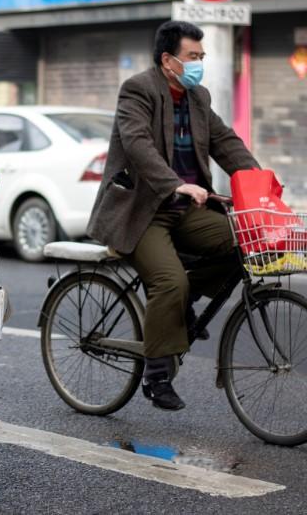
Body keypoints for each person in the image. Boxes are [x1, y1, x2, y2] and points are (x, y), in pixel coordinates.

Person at [86, 21, 259, 411]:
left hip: (187, 210)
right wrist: (176, 183)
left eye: (202, 56)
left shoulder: (198, 98)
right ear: (168, 60)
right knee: (169, 281)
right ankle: (156, 375)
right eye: (192, 57)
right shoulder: (138, 90)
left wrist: (258, 180)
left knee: (243, 242)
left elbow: (226, 142)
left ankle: (182, 302)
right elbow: (137, 144)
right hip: (141, 212)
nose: (200, 63)